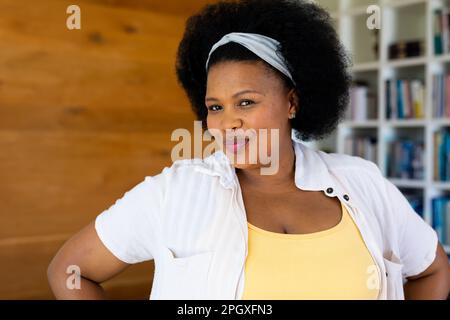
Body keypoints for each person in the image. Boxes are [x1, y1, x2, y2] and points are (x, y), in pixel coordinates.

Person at [47, 0, 450, 300]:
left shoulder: (362, 182)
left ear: (292, 102)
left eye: (246, 102)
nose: (227, 122)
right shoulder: (174, 191)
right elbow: (70, 270)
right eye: (214, 107)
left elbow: (431, 272)